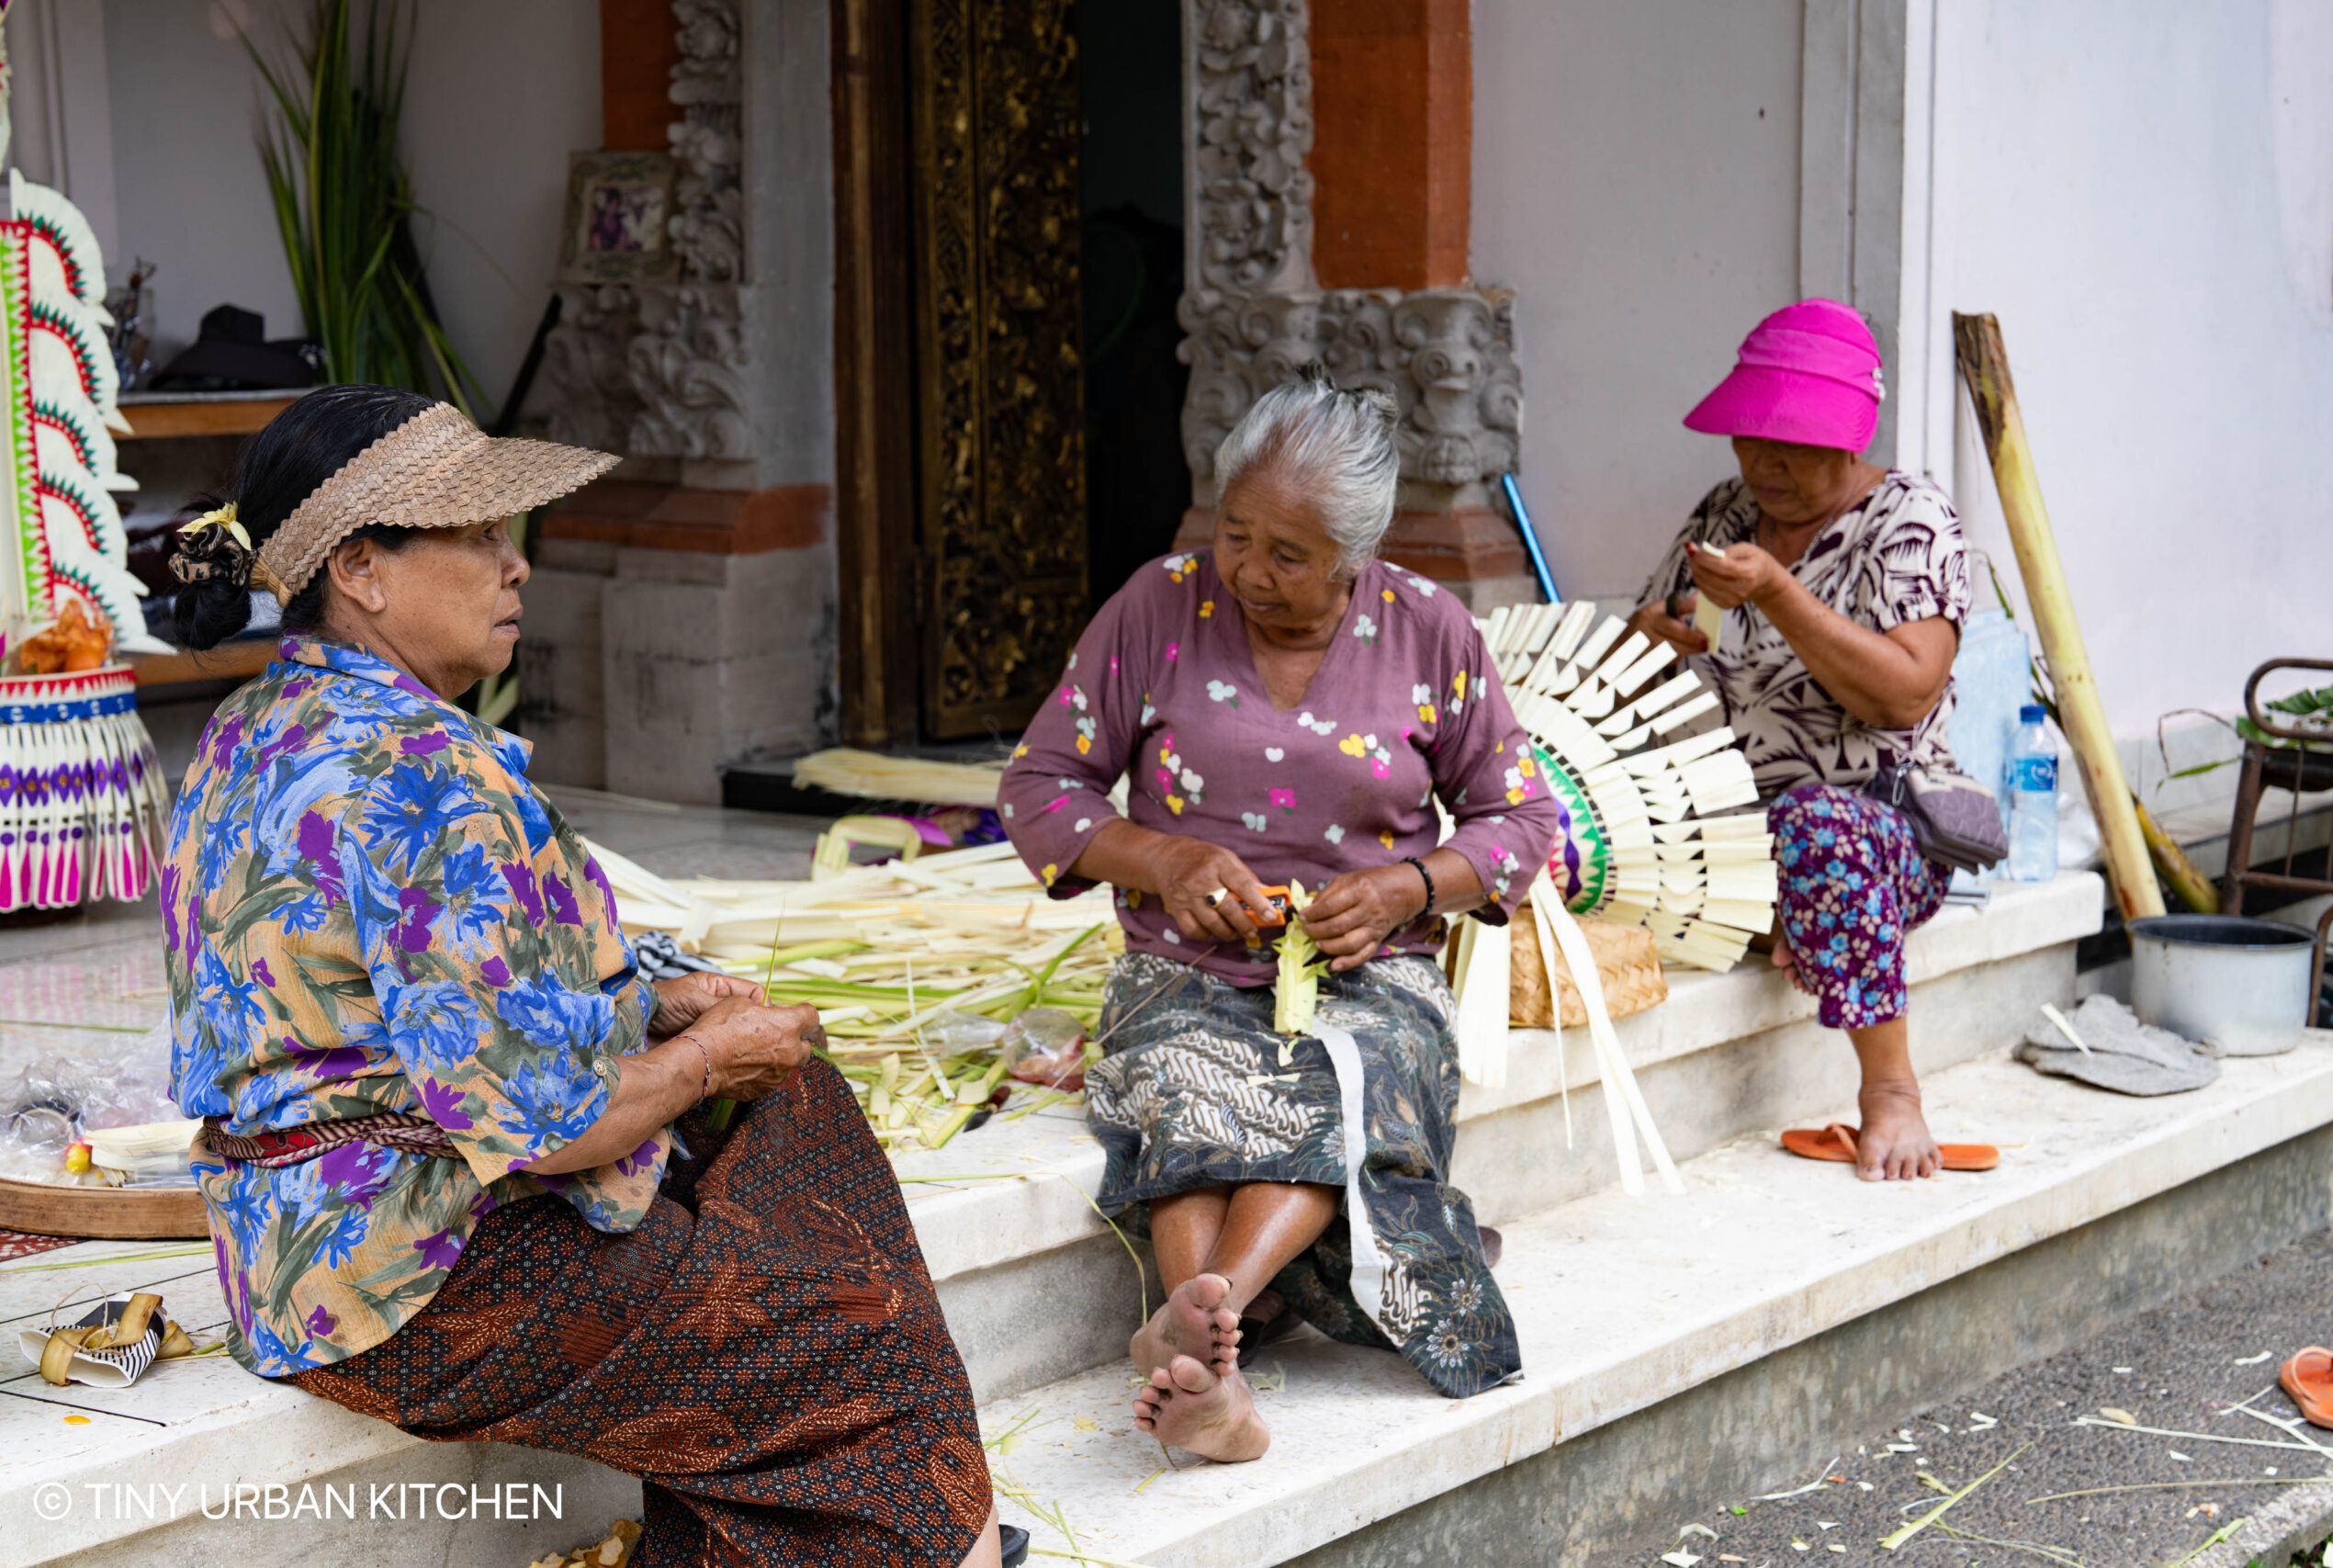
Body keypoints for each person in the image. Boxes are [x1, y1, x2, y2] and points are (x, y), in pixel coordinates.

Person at [163, 386, 1004, 1568]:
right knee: (857, 1349)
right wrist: (713, 1051)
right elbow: (547, 1131)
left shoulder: (260, 721)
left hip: (286, 1258)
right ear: (361, 566)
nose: (516, 570)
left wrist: (653, 1003)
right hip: (417, 1287)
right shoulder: (428, 777)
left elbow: (410, 998)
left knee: (790, 1128)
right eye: (480, 538)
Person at [998, 371, 1557, 1462]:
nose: (1248, 570)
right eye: (1234, 532)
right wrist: (1160, 857)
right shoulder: (1155, 606)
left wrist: (1410, 885)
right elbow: (1039, 788)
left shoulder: (1429, 631)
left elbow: (1520, 819)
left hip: (1372, 971)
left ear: (1356, 556)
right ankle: (1214, 1370)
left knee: (1344, 1084)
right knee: (1185, 1076)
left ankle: (1196, 1337)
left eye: (1287, 554)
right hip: (1184, 963)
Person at [1631, 299, 1971, 1183]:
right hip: (1724, 817)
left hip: (1875, 822)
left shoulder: (1909, 521)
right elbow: (1650, 631)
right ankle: (1778, 903)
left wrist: (1779, 592)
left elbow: (1906, 693)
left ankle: (1891, 1091)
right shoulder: (1728, 509)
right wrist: (1659, 630)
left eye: (1790, 444)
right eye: (1749, 439)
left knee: (1822, 830)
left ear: (1848, 441)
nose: (1763, 463)